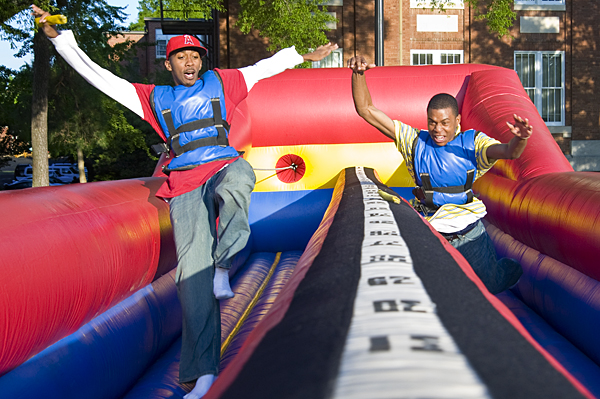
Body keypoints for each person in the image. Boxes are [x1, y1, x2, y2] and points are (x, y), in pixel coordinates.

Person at [32, 5, 337, 398]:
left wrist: (299, 56)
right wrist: (62, 40)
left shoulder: (222, 81)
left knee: (240, 178)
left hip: (223, 165)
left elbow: (262, 68)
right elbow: (99, 76)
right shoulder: (152, 97)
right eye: (182, 56)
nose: (190, 61)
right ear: (169, 63)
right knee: (192, 280)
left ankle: (223, 265)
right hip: (184, 183)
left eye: (195, 55)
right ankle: (202, 373)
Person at [348, 55, 531, 295]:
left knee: (490, 285)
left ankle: (509, 270)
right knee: (431, 292)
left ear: (457, 121)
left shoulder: (473, 144)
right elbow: (366, 110)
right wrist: (358, 74)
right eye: (432, 122)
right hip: (430, 231)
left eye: (445, 123)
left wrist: (520, 138)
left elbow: (509, 152)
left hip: (468, 233)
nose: (438, 130)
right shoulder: (414, 141)